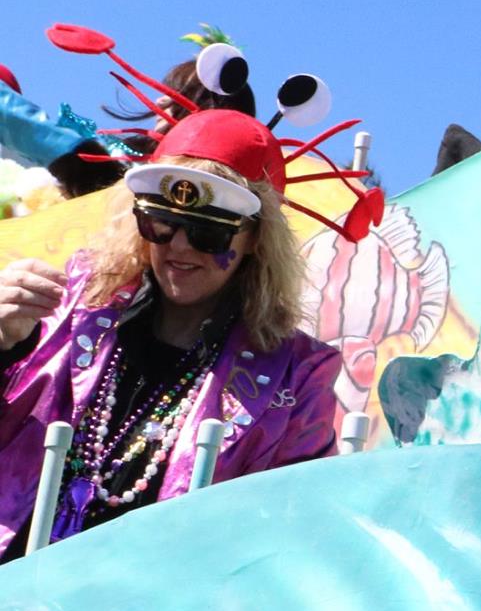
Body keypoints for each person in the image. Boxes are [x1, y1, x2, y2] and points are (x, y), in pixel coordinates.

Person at [0, 108, 344, 559]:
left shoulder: (298, 377)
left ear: (256, 239)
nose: (179, 246)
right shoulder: (65, 305)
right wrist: (5, 345)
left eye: (207, 231)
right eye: (161, 222)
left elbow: (293, 540)